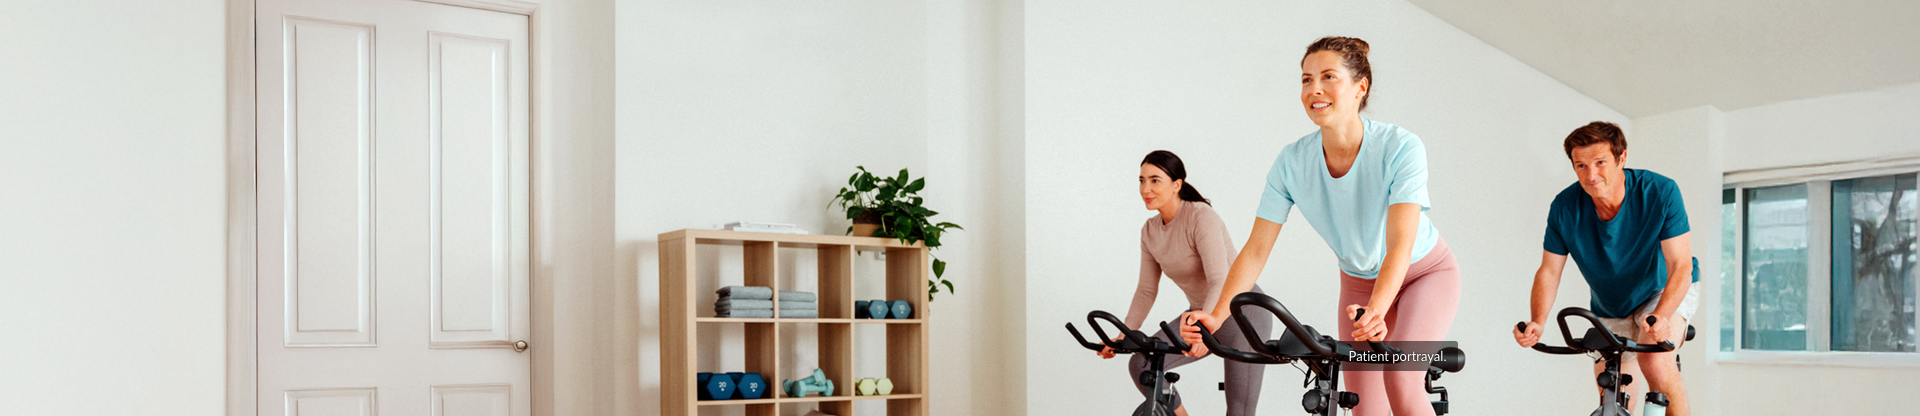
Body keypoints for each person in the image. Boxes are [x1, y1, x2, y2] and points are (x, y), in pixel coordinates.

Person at [1177, 36, 1460, 416]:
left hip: (1424, 273)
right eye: (1306, 79)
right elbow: (1256, 250)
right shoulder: (1292, 163)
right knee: (1362, 405)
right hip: (1358, 283)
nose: (1314, 89)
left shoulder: (1400, 147)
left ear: (1361, 88)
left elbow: (1400, 245)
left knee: (1400, 378)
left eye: (1328, 77)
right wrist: (1216, 314)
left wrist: (1378, 309)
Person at [1512, 121, 1698, 416]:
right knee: (1611, 385)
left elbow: (1681, 265)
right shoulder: (1564, 207)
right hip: (1611, 303)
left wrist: (1662, 316)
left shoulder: (1660, 192)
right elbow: (1549, 271)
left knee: (1655, 363)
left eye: (1600, 162)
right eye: (1581, 166)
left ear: (1622, 158)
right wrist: (1538, 321)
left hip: (1661, 289)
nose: (1591, 175)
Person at [1097, 150, 1272, 416]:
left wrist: (1206, 328)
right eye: (1142, 180)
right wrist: (1124, 335)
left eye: (1155, 180)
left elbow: (1219, 279)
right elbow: (1146, 290)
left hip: (1242, 313)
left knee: (1239, 410)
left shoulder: (1200, 216)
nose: (1146, 188)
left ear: (1176, 184)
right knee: (1143, 365)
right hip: (1200, 314)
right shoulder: (1149, 231)